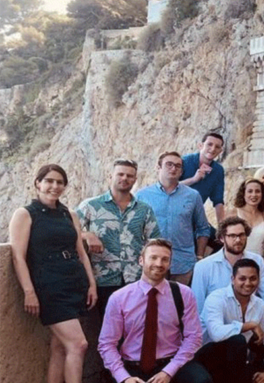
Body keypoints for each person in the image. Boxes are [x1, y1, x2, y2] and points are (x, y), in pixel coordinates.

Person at [10, 164, 105, 383]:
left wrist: (91, 284)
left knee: (60, 346)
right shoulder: (25, 214)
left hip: (73, 280)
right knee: (79, 344)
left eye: (59, 182)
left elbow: (81, 251)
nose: (54, 186)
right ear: (37, 183)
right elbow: (18, 256)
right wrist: (29, 291)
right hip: (47, 286)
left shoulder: (69, 214)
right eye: (48, 181)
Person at [98, 239, 211, 383]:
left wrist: (168, 372)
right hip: (134, 368)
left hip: (170, 361)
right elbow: (106, 344)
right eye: (153, 257)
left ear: (169, 263)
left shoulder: (183, 294)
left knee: (202, 382)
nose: (159, 263)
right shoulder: (119, 298)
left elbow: (194, 337)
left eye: (165, 259)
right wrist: (123, 378)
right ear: (141, 260)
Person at [190, 217, 264, 349]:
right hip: (216, 334)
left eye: (241, 235)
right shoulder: (203, 267)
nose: (238, 240)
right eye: (232, 236)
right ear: (222, 238)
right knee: (237, 342)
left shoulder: (256, 260)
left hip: (252, 327)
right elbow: (196, 307)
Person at [77, 159, 161, 315]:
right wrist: (87, 234)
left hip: (135, 279)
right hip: (103, 279)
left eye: (129, 176)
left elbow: (155, 242)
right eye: (120, 174)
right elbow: (68, 230)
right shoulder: (90, 206)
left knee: (135, 327)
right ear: (111, 176)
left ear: (135, 180)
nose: (124, 178)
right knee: (109, 329)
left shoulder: (144, 209)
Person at [137, 152, 212, 285]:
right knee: (152, 302)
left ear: (182, 171)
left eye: (178, 166)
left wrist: (199, 256)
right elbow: (135, 229)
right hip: (153, 263)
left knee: (179, 302)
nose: (173, 168)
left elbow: (203, 228)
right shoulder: (142, 196)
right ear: (158, 167)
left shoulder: (193, 196)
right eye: (169, 164)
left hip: (183, 264)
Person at [180, 131, 226, 224]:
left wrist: (223, 229)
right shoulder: (184, 161)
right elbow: (168, 187)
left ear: (220, 151)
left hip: (195, 215)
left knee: (210, 235)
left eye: (217, 147)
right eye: (209, 144)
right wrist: (193, 179)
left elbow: (218, 201)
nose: (213, 149)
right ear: (200, 145)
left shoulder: (218, 170)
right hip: (175, 212)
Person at [227, 178, 264, 262]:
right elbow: (226, 243)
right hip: (235, 266)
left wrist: (261, 266)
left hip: (258, 267)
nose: (254, 195)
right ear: (243, 194)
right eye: (250, 191)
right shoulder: (233, 214)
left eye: (257, 191)